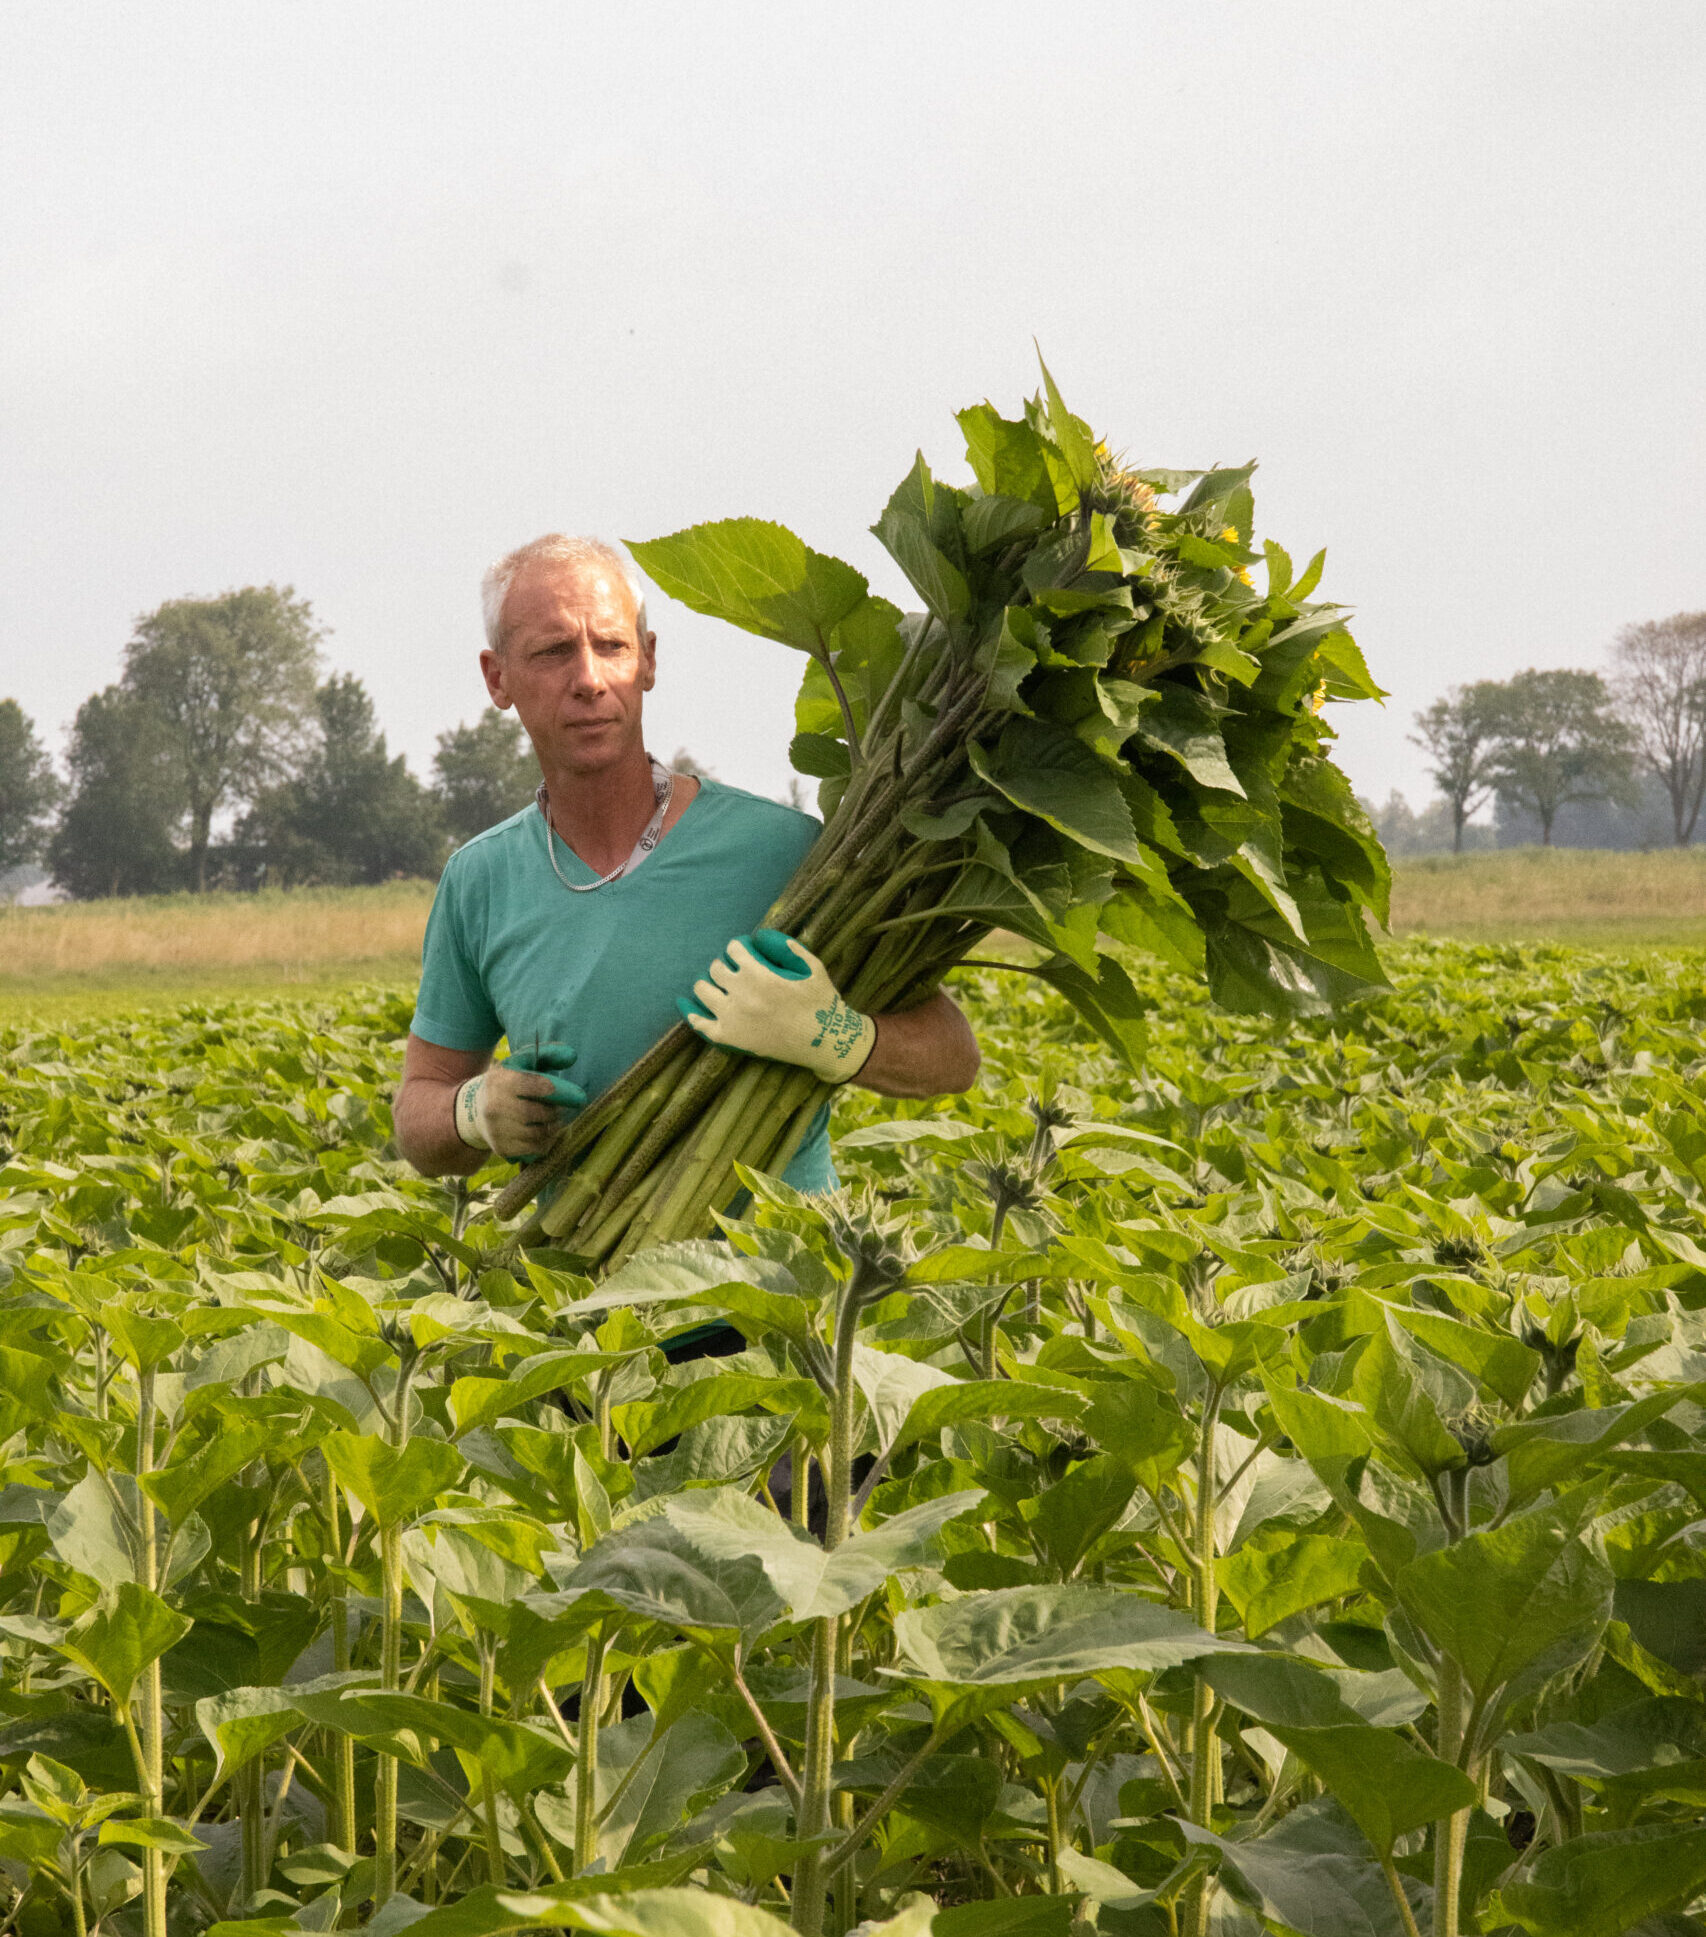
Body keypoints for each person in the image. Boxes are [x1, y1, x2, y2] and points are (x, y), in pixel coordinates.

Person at [393, 534, 980, 1191]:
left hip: (789, 1276)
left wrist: (833, 1037)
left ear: (647, 661)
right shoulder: (480, 880)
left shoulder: (786, 850)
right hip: (577, 1284)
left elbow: (952, 1057)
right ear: (497, 677)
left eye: (611, 646)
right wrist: (472, 1111)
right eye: (554, 651)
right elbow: (420, 1107)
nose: (588, 679)